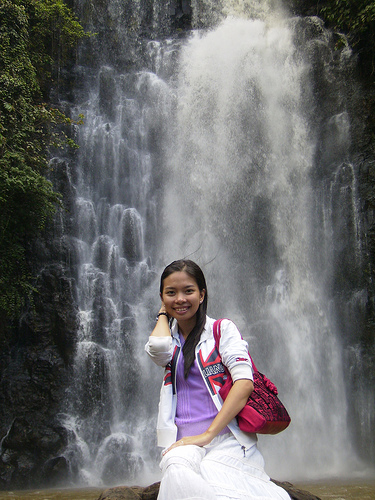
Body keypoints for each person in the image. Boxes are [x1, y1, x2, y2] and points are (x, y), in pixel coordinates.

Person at [145, 259, 290, 500]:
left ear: (202, 295)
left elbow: (244, 383)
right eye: (171, 293)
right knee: (176, 470)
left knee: (214, 475)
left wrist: (208, 434)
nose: (180, 299)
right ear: (162, 297)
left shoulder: (221, 330)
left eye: (188, 291)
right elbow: (157, 348)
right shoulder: (168, 339)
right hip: (184, 442)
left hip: (227, 439)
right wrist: (163, 311)